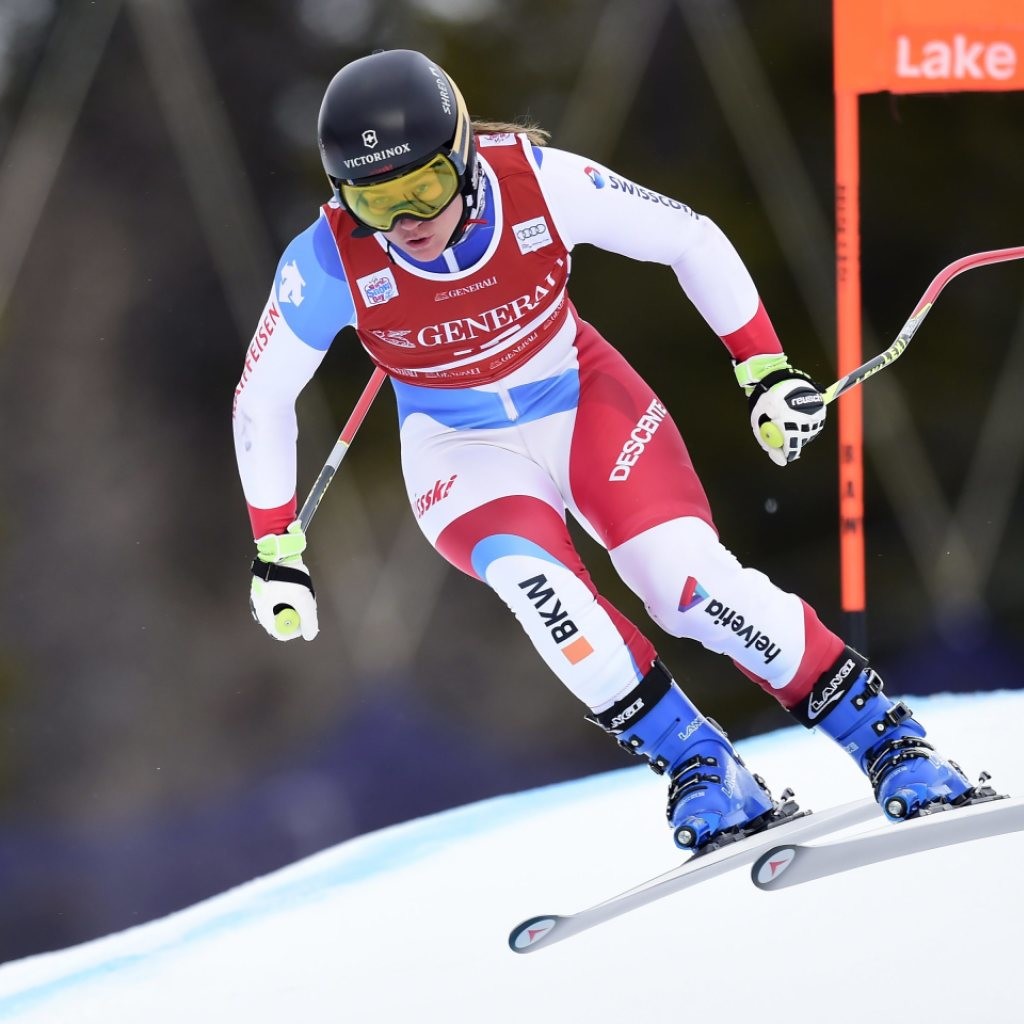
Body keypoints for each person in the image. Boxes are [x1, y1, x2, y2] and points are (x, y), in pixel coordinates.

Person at [233, 48, 983, 851]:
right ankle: (700, 764)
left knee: (687, 585)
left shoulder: (541, 183)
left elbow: (690, 240)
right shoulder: (325, 261)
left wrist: (762, 370)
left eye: (424, 188)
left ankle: (888, 741)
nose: (407, 222)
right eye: (377, 200)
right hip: (459, 444)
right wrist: (276, 544)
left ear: (464, 156)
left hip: (583, 398)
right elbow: (264, 396)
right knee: (541, 594)